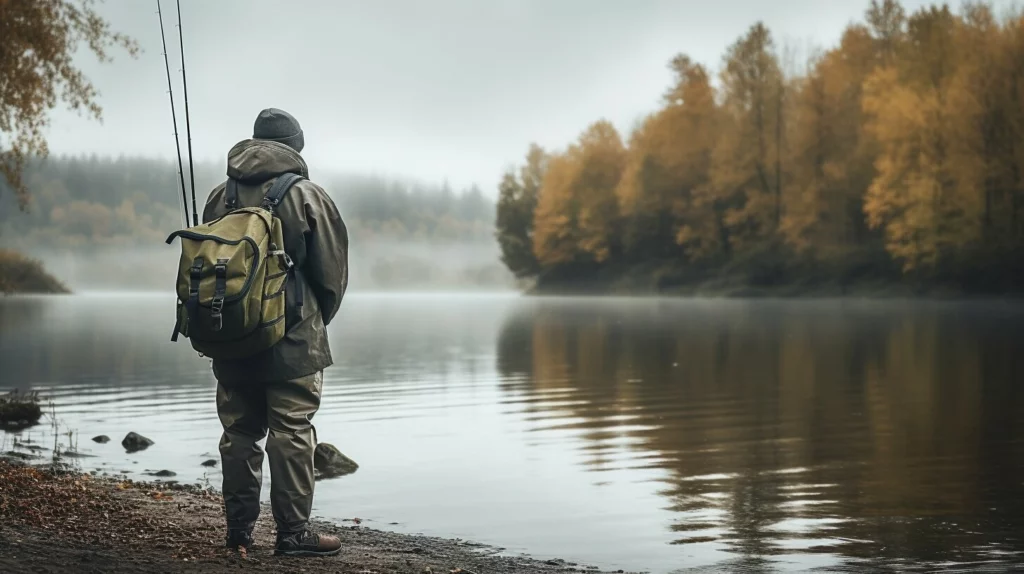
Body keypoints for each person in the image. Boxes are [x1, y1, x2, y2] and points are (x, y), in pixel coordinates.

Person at [201, 108, 348, 557]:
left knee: (240, 432)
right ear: (296, 148)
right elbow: (332, 276)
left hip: (230, 336)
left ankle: (239, 532)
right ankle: (293, 534)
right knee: (291, 431)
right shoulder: (306, 195)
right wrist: (313, 322)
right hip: (294, 339)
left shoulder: (218, 197)